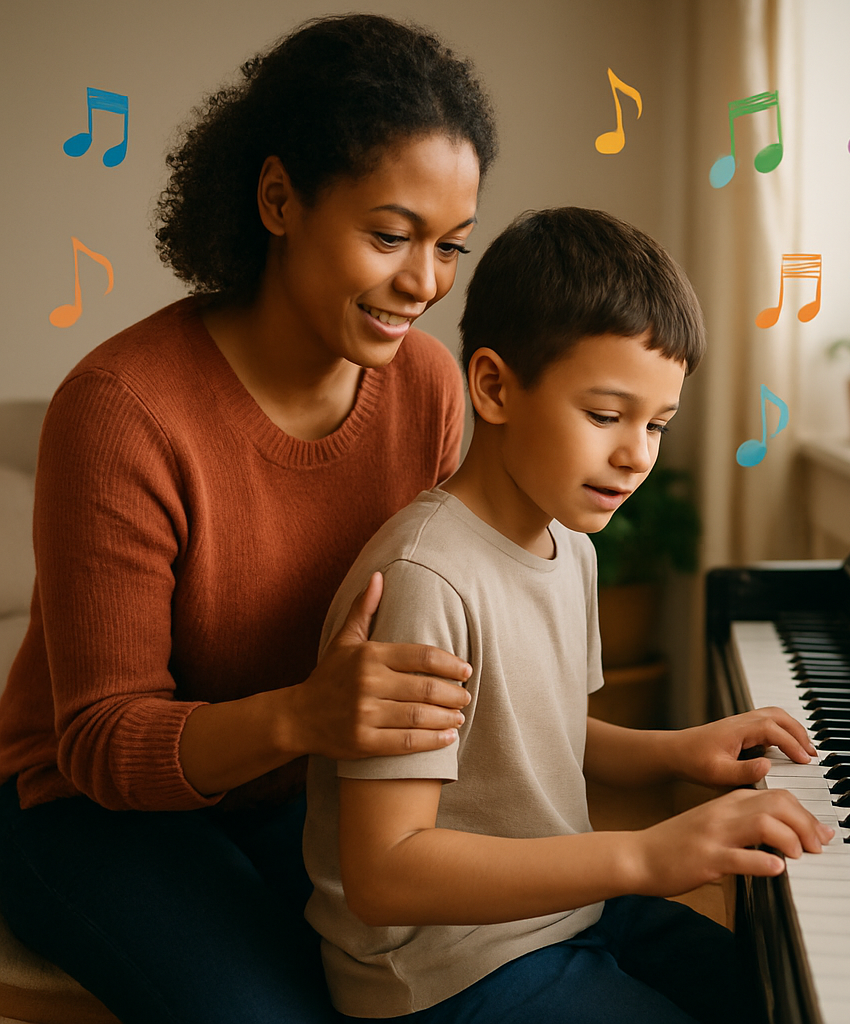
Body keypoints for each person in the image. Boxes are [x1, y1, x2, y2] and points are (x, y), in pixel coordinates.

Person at [0, 14, 498, 1024]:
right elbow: (99, 738)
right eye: (390, 235)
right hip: (88, 814)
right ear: (278, 197)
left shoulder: (429, 388)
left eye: (450, 246)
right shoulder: (121, 409)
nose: (424, 284)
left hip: (298, 794)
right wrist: (308, 714)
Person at [304, 207, 834, 1024]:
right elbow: (385, 872)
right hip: (445, 969)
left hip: (562, 915)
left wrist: (676, 753)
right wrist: (643, 854)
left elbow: (533, 735)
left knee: (780, 999)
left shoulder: (571, 547)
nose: (637, 455)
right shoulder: (427, 581)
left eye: (657, 425)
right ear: (494, 386)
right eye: (605, 416)